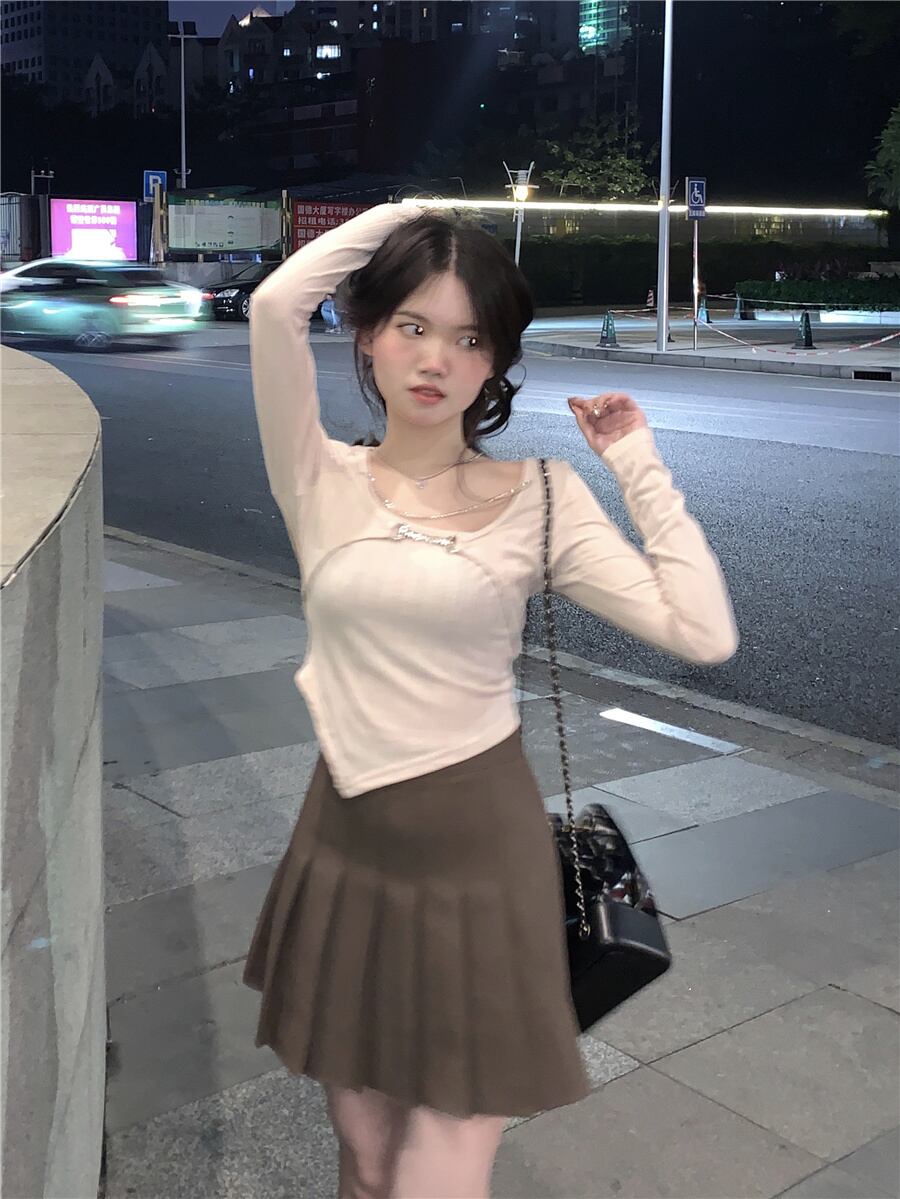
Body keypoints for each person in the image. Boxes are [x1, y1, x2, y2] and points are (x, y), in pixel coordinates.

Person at [242, 203, 738, 1199]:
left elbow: (703, 631)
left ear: (496, 363)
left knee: (435, 1174)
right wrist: (412, 214)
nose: (436, 359)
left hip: (481, 858)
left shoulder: (541, 495)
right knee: (366, 1160)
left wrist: (638, 467)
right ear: (368, 334)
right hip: (345, 843)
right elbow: (273, 304)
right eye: (413, 325)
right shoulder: (318, 473)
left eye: (470, 339)